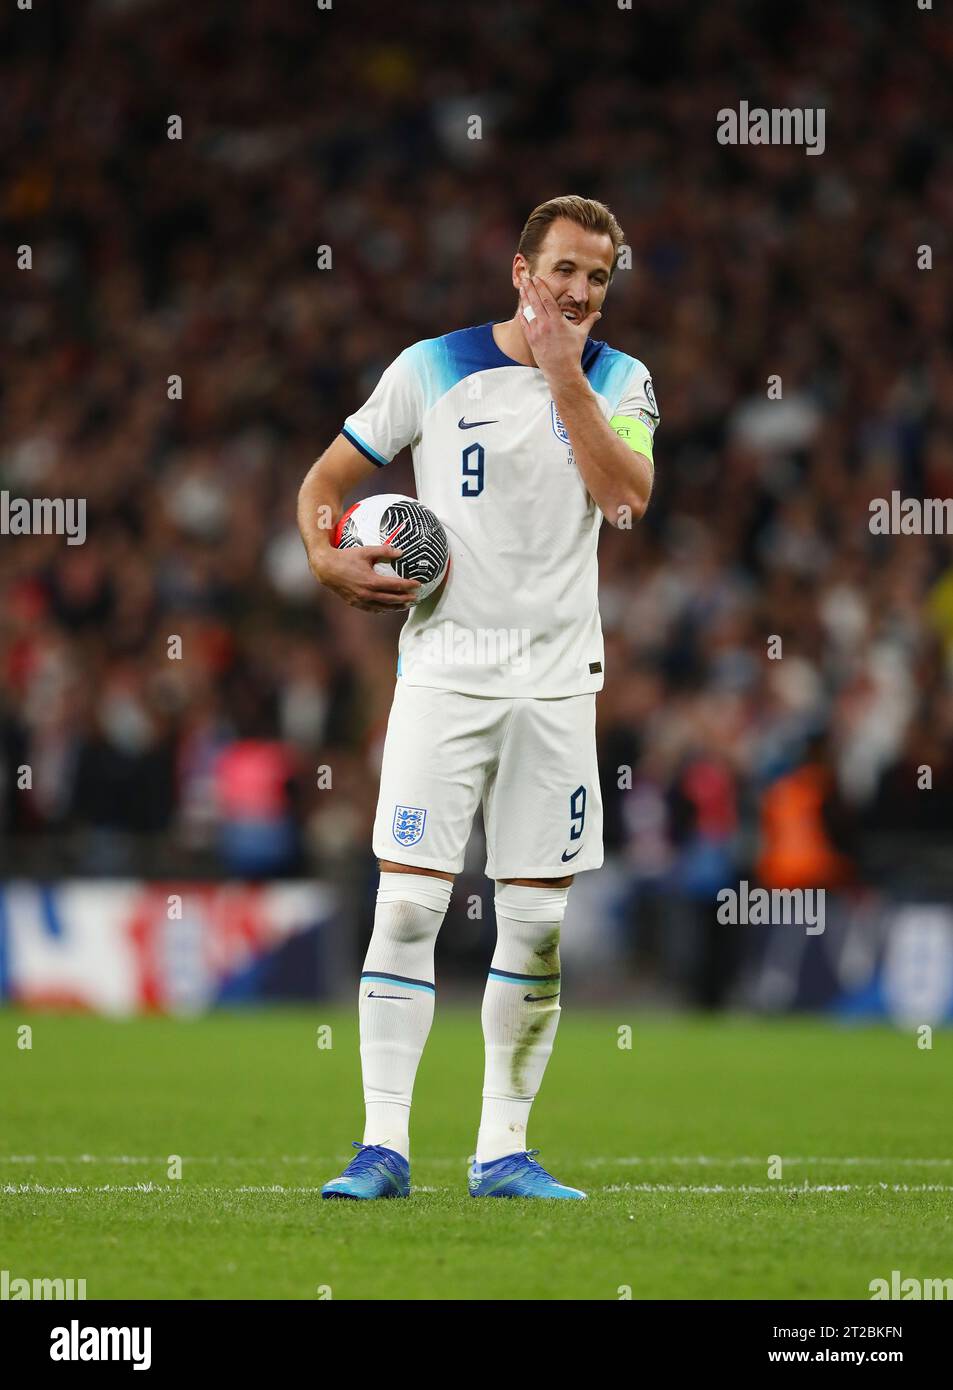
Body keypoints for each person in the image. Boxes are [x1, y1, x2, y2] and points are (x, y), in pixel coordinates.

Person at [297, 195, 658, 1199]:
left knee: (534, 926)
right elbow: (322, 484)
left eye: (598, 276)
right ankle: (382, 1146)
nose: (580, 291)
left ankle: (502, 1149)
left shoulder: (622, 381)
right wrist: (328, 567)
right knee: (407, 907)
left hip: (554, 688)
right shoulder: (431, 367)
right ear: (518, 268)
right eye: (565, 270)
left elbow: (624, 496)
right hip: (444, 679)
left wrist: (558, 377)